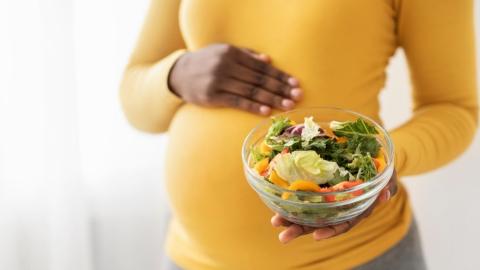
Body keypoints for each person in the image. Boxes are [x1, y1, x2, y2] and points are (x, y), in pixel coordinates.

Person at [120, 0, 478, 269]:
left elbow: (454, 109)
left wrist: (376, 170)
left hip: (354, 258)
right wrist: (175, 75)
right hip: (191, 257)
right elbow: (134, 98)